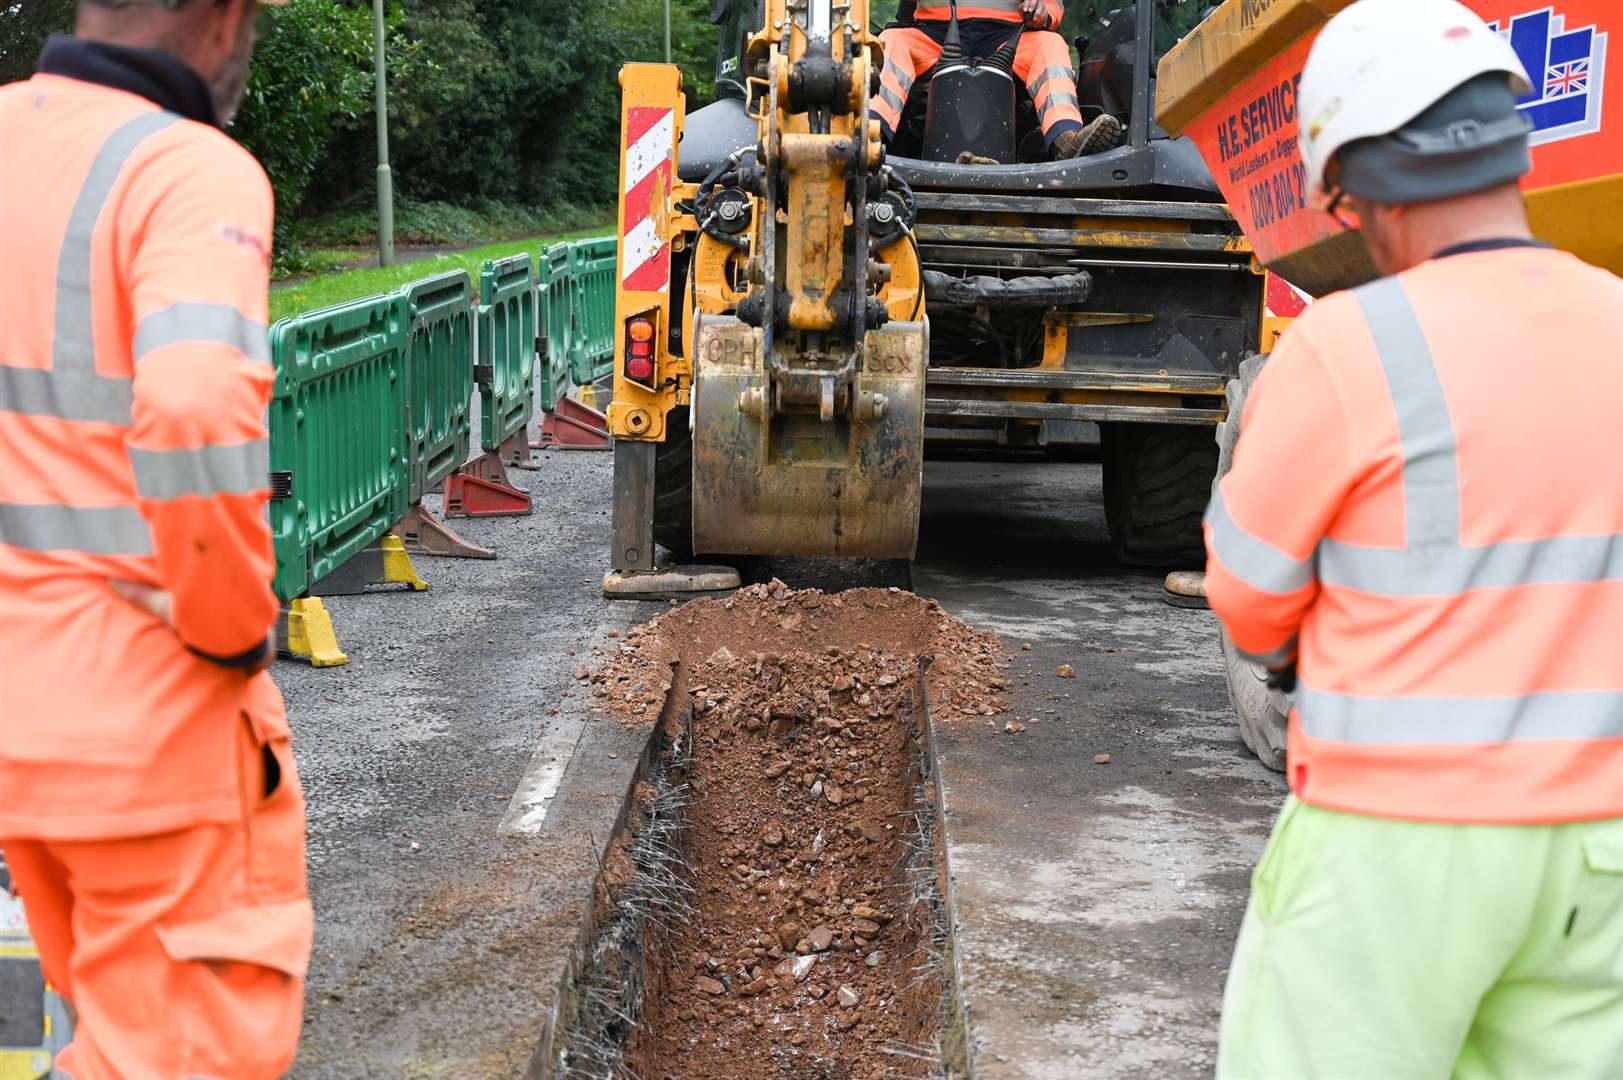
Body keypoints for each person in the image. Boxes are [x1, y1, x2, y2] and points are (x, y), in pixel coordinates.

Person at [1204, 0, 1623, 1075]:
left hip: (1395, 844)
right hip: (1598, 855)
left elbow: (1249, 598)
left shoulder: (1351, 346)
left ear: (1361, 189)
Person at [0, 1, 311, 1077]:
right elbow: (191, 403)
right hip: (147, 732)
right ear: (226, 18)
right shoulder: (188, 169)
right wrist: (230, 629)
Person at [870, 0, 1123, 159]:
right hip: (933, 36)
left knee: (1051, 44)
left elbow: (1052, 6)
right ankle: (869, 137)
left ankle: (1067, 140)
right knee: (890, 42)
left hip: (1008, 38)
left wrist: (1043, 14)